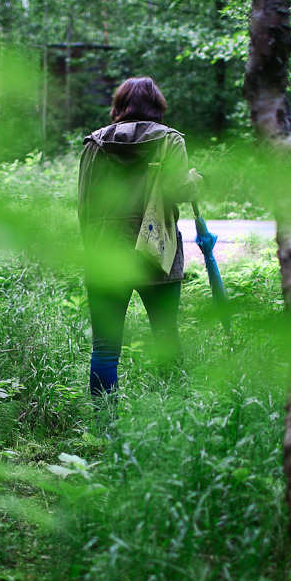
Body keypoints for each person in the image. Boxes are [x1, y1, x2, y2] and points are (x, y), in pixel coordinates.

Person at [77, 77, 200, 398]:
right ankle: (174, 420)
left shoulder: (94, 144)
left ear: (119, 106)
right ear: (157, 105)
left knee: (105, 348)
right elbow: (179, 191)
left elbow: (84, 205)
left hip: (105, 253)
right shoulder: (170, 141)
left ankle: (104, 429)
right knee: (165, 337)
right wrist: (194, 180)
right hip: (157, 252)